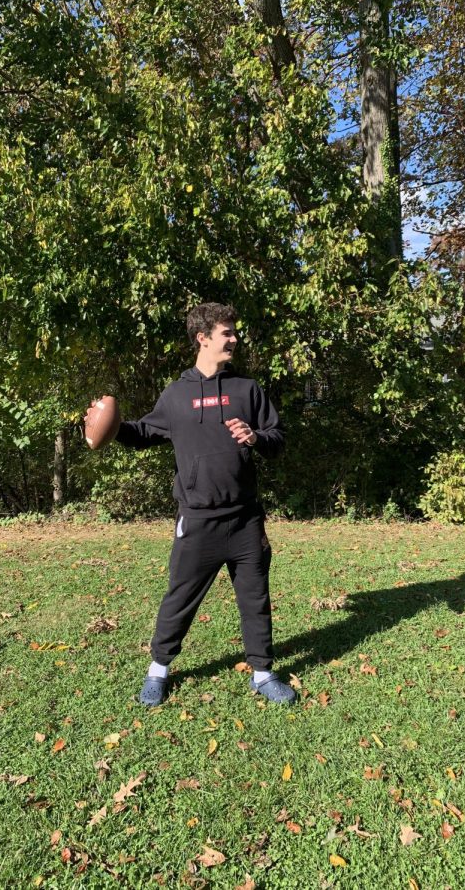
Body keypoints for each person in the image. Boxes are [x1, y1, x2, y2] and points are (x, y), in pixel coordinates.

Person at [114, 302, 296, 706]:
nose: (235, 338)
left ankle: (263, 673)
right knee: (179, 598)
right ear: (203, 337)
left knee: (255, 598)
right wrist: (110, 428)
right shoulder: (177, 395)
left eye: (234, 332)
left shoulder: (246, 390)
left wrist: (255, 437)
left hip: (246, 519)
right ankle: (158, 671)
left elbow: (277, 438)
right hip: (198, 521)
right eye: (227, 332)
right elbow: (143, 432)